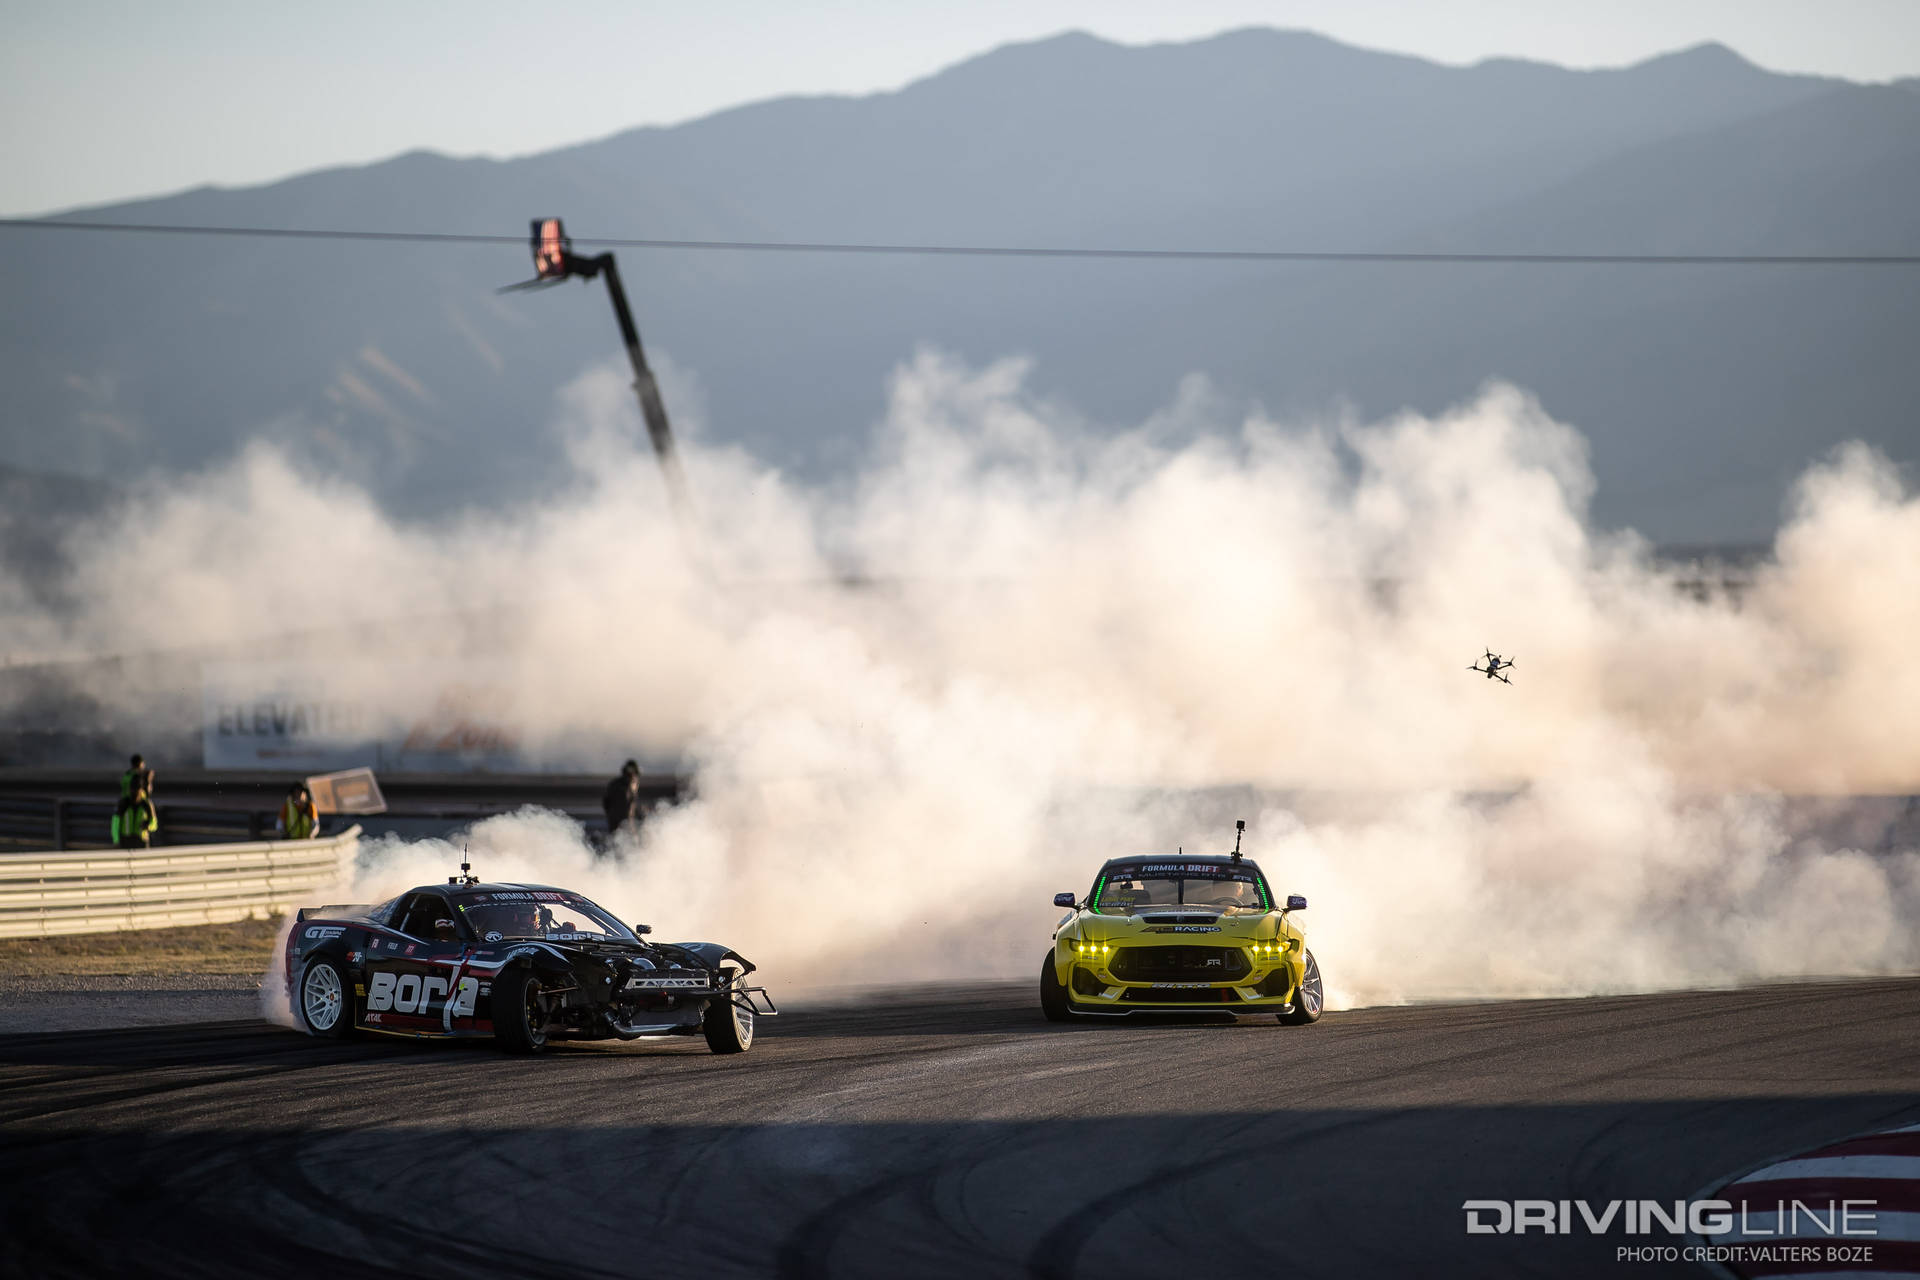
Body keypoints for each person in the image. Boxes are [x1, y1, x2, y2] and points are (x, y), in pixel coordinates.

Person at [602, 759, 642, 835]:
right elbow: (606, 801)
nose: (633, 776)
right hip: (618, 820)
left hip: (627, 820)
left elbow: (633, 803)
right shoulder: (617, 784)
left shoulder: (633, 784)